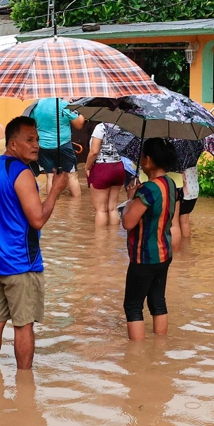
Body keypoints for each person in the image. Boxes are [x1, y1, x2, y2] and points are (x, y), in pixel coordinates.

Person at [0, 116, 69, 370]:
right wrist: (55, 191)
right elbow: (38, 219)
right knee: (23, 323)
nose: (36, 145)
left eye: (37, 140)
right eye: (29, 140)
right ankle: (25, 383)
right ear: (13, 143)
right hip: (20, 262)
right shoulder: (22, 172)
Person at [120, 138, 180, 341]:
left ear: (148, 160)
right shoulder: (170, 184)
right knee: (157, 301)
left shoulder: (149, 189)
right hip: (164, 253)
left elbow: (128, 222)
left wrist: (130, 198)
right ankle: (158, 349)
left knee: (133, 306)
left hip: (144, 256)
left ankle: (137, 357)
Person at [29, 98, 84, 196]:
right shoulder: (63, 104)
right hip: (63, 145)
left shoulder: (37, 104)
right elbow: (79, 124)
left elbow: (32, 124)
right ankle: (76, 206)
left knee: (50, 175)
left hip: (43, 146)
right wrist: (82, 112)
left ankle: (52, 205)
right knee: (71, 175)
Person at [82, 122, 125, 227]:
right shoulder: (121, 127)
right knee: (112, 208)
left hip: (102, 168)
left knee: (101, 210)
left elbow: (94, 152)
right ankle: (112, 239)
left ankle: (101, 240)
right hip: (119, 167)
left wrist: (87, 166)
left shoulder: (100, 127)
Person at [177, 165, 200, 245]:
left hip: (184, 191)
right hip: (194, 191)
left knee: (177, 222)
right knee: (185, 221)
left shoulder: (182, 160)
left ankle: (182, 246)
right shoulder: (192, 158)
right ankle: (186, 245)